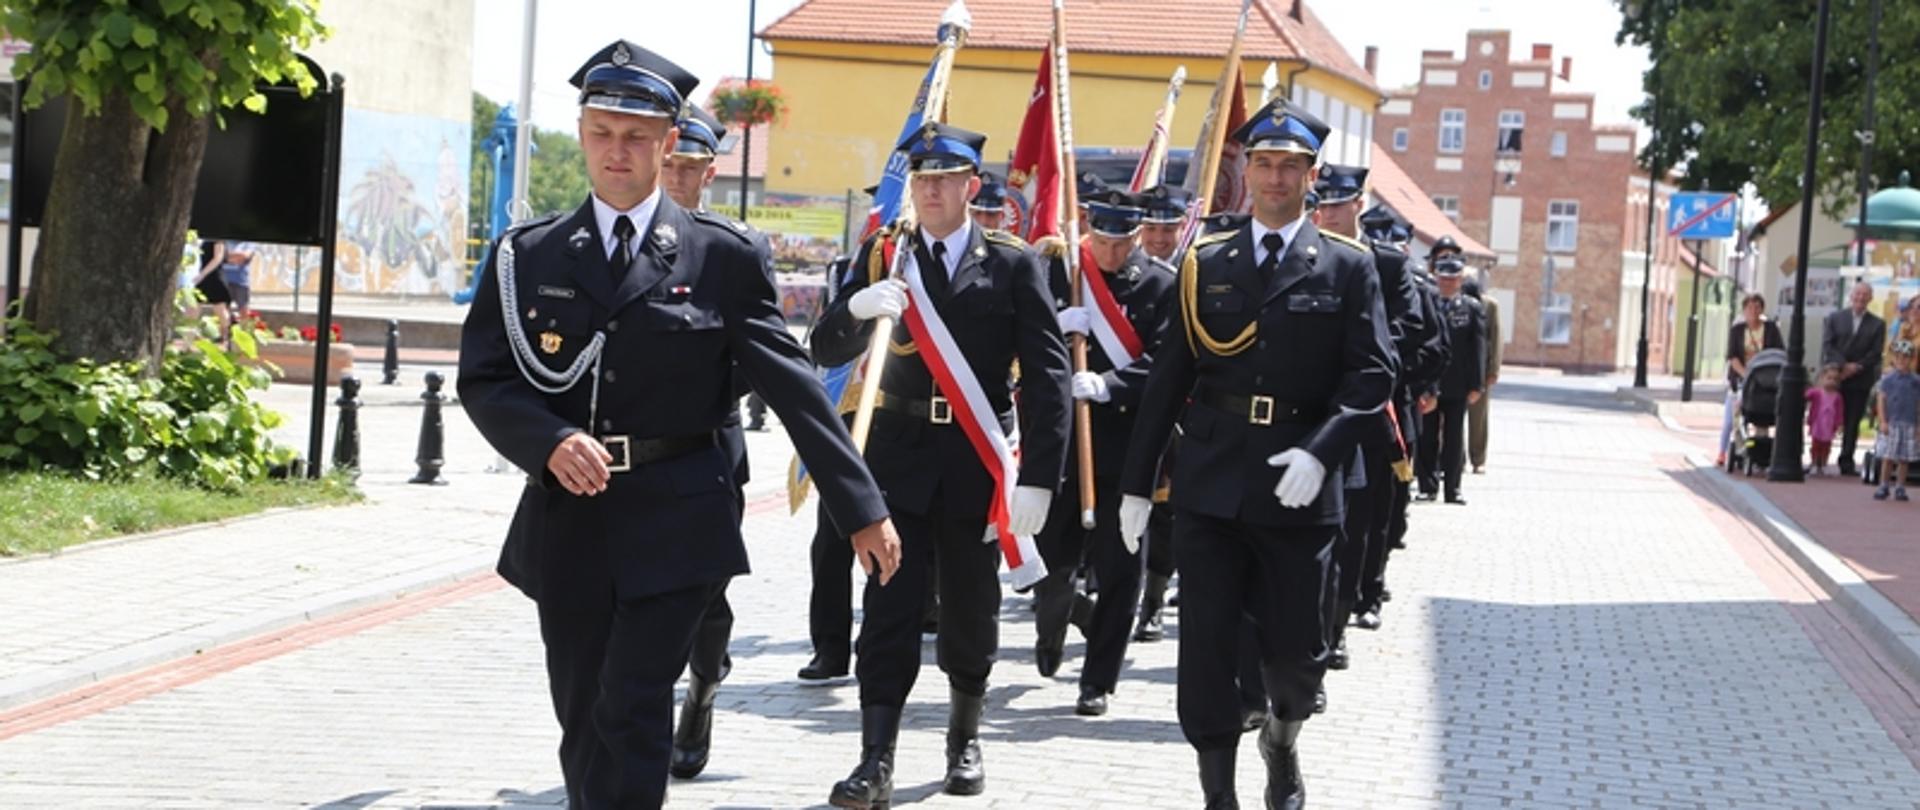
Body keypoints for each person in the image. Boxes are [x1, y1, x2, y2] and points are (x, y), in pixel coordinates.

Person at [456, 40, 901, 810]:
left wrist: (861, 507)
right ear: (583, 132)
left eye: (636, 136)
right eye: (601, 132)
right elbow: (487, 381)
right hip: (571, 520)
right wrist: (549, 440)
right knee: (583, 717)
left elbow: (793, 388)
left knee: (631, 707)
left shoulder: (721, 255)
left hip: (678, 517)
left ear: (668, 143)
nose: (616, 152)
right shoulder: (526, 255)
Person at [1116, 98, 1394, 809]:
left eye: (1290, 166)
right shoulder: (1206, 261)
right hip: (1213, 483)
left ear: (1312, 174)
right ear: (1246, 171)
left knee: (1297, 656)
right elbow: (1170, 375)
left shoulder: (1347, 266)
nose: (1275, 178)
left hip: (1301, 488)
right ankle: (1218, 793)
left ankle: (1282, 738)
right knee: (1205, 647)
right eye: (1264, 164)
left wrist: (1322, 453)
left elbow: (1372, 375)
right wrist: (1137, 484)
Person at [811, 121, 1072, 806]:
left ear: (970, 185)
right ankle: (875, 757)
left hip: (973, 460)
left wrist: (1041, 477)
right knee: (889, 608)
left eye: (943, 179)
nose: (929, 190)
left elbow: (1047, 376)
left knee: (969, 609)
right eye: (920, 178)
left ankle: (965, 737)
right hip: (894, 460)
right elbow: (824, 348)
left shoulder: (1012, 263)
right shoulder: (884, 256)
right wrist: (856, 308)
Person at [1032, 193, 1176, 716]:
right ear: (1089, 230)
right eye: (1104, 240)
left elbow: (1167, 363)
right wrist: (1057, 324)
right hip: (1066, 445)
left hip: (1128, 446)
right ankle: (1054, 623)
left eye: (1122, 242)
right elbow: (1026, 341)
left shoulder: (1161, 283)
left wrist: (1111, 382)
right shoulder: (1065, 274)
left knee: (1120, 568)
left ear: (1137, 235)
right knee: (1050, 564)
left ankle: (1098, 680)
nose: (1112, 253)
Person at [656, 103, 756, 781]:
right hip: (633, 454)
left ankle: (704, 689)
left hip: (710, 452)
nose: (678, 180)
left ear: (709, 174)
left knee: (706, 600)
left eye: (690, 169)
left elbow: (760, 353)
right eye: (670, 166)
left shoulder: (730, 248)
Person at [1417, 256, 1485, 505]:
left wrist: (1477, 384)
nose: (1446, 283)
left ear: (1460, 280)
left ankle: (1453, 489)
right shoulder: (1427, 303)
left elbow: (1478, 348)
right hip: (1430, 381)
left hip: (1458, 384)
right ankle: (1427, 486)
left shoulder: (1471, 307)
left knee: (1454, 438)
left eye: (1452, 279)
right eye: (1442, 278)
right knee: (1427, 436)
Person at [1823, 281, 1888, 476]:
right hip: (1835, 377)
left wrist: (1856, 367)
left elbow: (1876, 353)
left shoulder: (1877, 324)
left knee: (1852, 420)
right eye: (1857, 294)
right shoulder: (1835, 318)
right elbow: (1828, 345)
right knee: (1825, 417)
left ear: (1870, 298)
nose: (1860, 298)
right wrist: (1842, 365)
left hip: (1860, 379)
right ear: (1851, 296)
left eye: (1865, 295)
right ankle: (1820, 457)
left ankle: (1846, 459)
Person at [1722, 293, 1787, 463]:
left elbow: (1778, 352)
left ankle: (1762, 453)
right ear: (1744, 310)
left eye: (1757, 307)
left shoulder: (1771, 328)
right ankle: (1734, 448)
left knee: (1763, 413)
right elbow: (1732, 355)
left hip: (1766, 379)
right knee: (1734, 416)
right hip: (1742, 378)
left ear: (1762, 309)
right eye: (1750, 307)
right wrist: (1745, 373)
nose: (1753, 311)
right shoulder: (1737, 330)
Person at [1871, 340, 1919, 501]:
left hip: (1909, 423)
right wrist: (1883, 421)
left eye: (1905, 358)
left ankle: (1900, 486)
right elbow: (1881, 400)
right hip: (1892, 423)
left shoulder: (1916, 381)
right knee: (1888, 456)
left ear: (1911, 359)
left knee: (1904, 458)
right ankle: (1884, 485)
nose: (1901, 361)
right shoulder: (1888, 380)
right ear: (1893, 358)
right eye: (1898, 357)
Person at [1464, 271, 1500, 474]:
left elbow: (1495, 337)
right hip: (1458, 368)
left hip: (1482, 369)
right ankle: (1456, 460)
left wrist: (1493, 369)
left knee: (1478, 418)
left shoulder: (1489, 305)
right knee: (1454, 418)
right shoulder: (1454, 301)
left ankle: (1478, 459)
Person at [1137, 184, 1193, 264]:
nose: (1159, 238)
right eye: (1150, 228)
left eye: (1168, 230)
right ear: (1139, 227)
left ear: (1183, 226)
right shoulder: (1122, 265)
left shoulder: (1194, 269)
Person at [1807, 364, 1846, 476]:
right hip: (1817, 423)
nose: (1832, 381)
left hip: (1829, 425)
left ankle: (1824, 464)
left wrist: (1839, 424)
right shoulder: (1817, 393)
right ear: (1822, 378)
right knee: (1815, 445)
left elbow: (1839, 411)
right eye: (1829, 378)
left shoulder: (1837, 396)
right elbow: (1807, 395)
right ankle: (1814, 463)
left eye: (1835, 379)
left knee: (1826, 446)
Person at [193, 239, 233, 343]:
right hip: (205, 277)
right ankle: (189, 340)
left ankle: (226, 338)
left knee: (219, 309)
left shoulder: (218, 240)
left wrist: (202, 274)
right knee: (193, 307)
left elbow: (217, 258)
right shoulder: (207, 239)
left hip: (214, 277)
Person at [220, 240, 256, 318]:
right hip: (224, 280)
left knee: (244, 309)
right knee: (223, 310)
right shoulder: (224, 241)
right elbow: (219, 256)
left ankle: (245, 329)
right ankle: (225, 329)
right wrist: (236, 258)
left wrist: (227, 257)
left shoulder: (248, 242)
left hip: (241, 281)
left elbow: (245, 256)